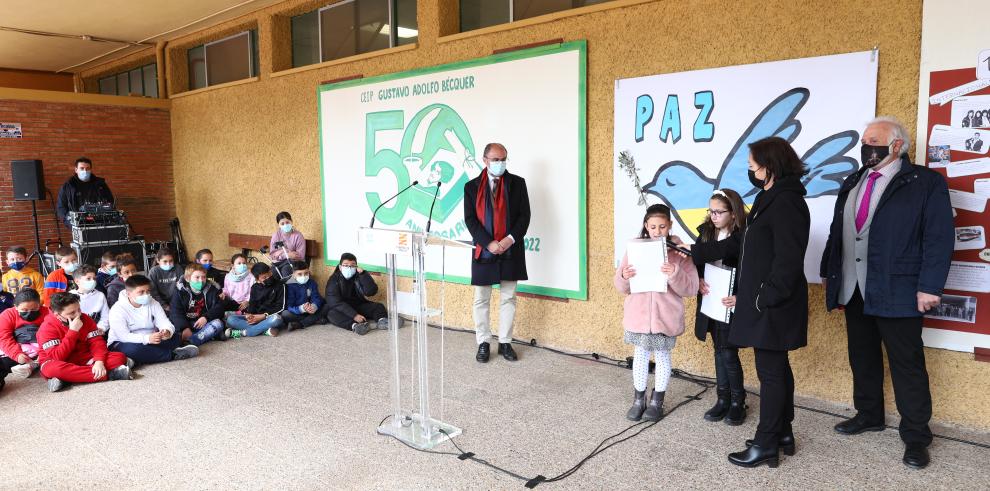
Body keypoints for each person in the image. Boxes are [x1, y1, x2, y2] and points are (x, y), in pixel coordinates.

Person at [821, 117, 953, 470]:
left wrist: (930, 286)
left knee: (907, 365)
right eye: (864, 140)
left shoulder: (924, 183)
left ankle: (915, 436)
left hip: (900, 290)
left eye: (873, 140)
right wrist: (830, 276)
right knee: (861, 356)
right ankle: (869, 414)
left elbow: (939, 238)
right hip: (855, 288)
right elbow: (839, 232)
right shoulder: (853, 180)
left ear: (897, 145)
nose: (866, 146)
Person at [725, 137, 810, 469]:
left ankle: (765, 444)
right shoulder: (768, 197)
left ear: (770, 165)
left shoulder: (787, 202)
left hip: (774, 304)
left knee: (770, 374)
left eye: (752, 165)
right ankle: (782, 433)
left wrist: (765, 297)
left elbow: (788, 259)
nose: (749, 169)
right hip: (765, 302)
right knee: (777, 369)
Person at [614, 204, 698, 422]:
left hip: (665, 317)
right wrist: (624, 275)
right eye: (653, 226)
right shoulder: (634, 248)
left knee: (661, 356)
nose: (657, 231)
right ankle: (638, 399)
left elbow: (691, 288)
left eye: (662, 226)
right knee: (640, 355)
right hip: (639, 316)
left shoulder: (680, 252)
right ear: (646, 226)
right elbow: (621, 286)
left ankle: (657, 400)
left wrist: (675, 273)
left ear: (669, 225)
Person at [676, 188, 749, 424]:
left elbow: (745, 267)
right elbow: (695, 262)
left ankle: (738, 401)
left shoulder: (743, 236)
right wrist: (698, 280)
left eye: (719, 212)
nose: (714, 216)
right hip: (710, 299)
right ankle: (722, 398)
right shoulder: (707, 232)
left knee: (729, 352)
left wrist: (740, 295)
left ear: (734, 214)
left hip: (730, 301)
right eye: (711, 211)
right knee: (718, 350)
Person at [463, 143, 531, 363]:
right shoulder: (471, 187)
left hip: (511, 249)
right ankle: (483, 342)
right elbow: (470, 220)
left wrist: (508, 240)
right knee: (481, 299)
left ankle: (505, 342)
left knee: (508, 298)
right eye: (495, 159)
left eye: (503, 159)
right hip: (484, 251)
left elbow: (524, 216)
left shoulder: (518, 183)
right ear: (485, 160)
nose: (500, 163)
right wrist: (489, 243)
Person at [37, 292, 132, 392]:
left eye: (79, 309)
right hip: (59, 361)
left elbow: (97, 342)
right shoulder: (46, 328)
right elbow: (57, 356)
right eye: (72, 313)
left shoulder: (85, 318)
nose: (78, 314)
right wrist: (73, 332)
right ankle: (112, 374)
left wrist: (99, 361)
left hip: (84, 358)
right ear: (57, 315)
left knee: (119, 357)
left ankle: (68, 379)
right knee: (53, 370)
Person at [108, 275, 198, 365]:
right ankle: (173, 354)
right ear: (129, 293)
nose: (146, 295)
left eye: (147, 291)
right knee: (133, 349)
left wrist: (167, 331)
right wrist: (147, 338)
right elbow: (123, 336)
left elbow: (164, 321)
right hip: (122, 342)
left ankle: (137, 358)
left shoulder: (153, 302)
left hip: (151, 338)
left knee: (175, 337)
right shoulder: (117, 309)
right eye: (141, 292)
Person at [325, 253, 393, 335]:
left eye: (352, 265)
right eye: (346, 265)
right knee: (332, 314)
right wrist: (354, 315)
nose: (349, 268)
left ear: (356, 267)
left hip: (358, 305)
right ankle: (355, 326)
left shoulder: (359, 275)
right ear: (340, 267)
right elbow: (335, 302)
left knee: (378, 306)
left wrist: (364, 274)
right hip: (343, 309)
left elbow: (371, 292)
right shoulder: (334, 280)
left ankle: (383, 321)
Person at [169, 264, 226, 346]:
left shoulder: (212, 289)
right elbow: (175, 312)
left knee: (218, 323)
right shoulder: (179, 291)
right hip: (187, 323)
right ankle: (209, 335)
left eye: (203, 277)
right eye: (197, 277)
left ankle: (192, 341)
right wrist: (184, 327)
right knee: (172, 329)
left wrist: (206, 317)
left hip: (204, 323)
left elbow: (219, 308)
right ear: (188, 279)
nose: (201, 280)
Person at [225, 263, 286, 338]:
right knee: (231, 319)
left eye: (269, 274)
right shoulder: (254, 288)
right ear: (257, 279)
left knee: (277, 319)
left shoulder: (280, 285)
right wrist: (249, 315)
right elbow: (252, 305)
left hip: (269, 317)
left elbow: (281, 307)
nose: (269, 277)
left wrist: (264, 316)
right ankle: (265, 331)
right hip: (256, 318)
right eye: (264, 277)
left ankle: (243, 332)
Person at [0, 289, 48, 381]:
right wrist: (16, 355)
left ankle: (35, 364)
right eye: (24, 310)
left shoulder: (48, 312)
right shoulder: (7, 315)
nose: (29, 312)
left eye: (34, 309)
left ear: (39, 305)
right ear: (16, 307)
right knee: (3, 363)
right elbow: (4, 338)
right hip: (16, 348)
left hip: (41, 347)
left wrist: (42, 352)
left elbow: (54, 333)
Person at [55, 157, 115, 228]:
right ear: (76, 170)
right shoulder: (68, 186)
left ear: (91, 169)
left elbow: (110, 202)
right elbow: (61, 207)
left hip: (101, 224)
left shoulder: (100, 184)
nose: (85, 171)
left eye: (87, 168)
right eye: (82, 168)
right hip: (79, 226)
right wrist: (69, 222)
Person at [281, 261, 328, 329]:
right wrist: (301, 308)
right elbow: (289, 306)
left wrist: (314, 306)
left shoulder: (312, 282)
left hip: (311, 310)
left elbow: (316, 297)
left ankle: (301, 324)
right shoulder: (288, 285)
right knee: (285, 314)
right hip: (297, 311)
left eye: (306, 273)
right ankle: (314, 320)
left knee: (327, 306)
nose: (304, 276)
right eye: (299, 274)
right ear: (293, 274)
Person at [70, 265, 110, 334]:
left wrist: (101, 328)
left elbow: (106, 316)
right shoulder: (70, 296)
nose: (93, 281)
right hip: (77, 333)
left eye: (94, 278)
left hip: (96, 332)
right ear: (77, 281)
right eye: (88, 278)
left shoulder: (100, 295)